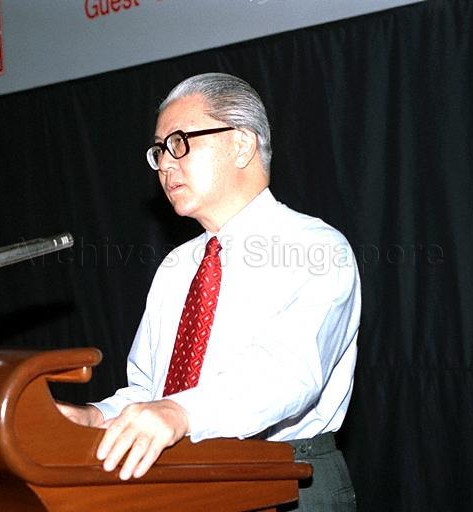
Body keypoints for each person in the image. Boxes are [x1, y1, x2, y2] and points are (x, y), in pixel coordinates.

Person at [57, 72, 360, 511]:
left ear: (241, 144)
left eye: (179, 143)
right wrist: (95, 417)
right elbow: (151, 392)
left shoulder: (315, 248)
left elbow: (288, 375)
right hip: (186, 478)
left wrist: (181, 414)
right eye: (159, 150)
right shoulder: (177, 266)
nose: (165, 164)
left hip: (288, 479)